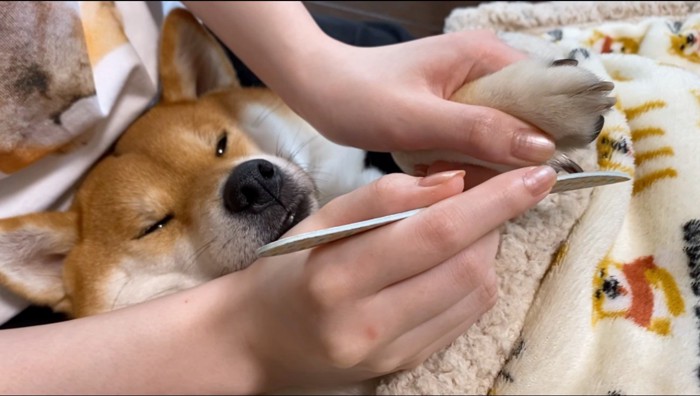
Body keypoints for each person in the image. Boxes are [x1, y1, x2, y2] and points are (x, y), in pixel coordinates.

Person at [0, 1, 557, 394]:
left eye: (222, 152)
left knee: (416, 66)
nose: (243, 182)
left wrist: (315, 64)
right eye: (156, 223)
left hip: (181, 74)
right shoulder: (58, 263)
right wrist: (241, 341)